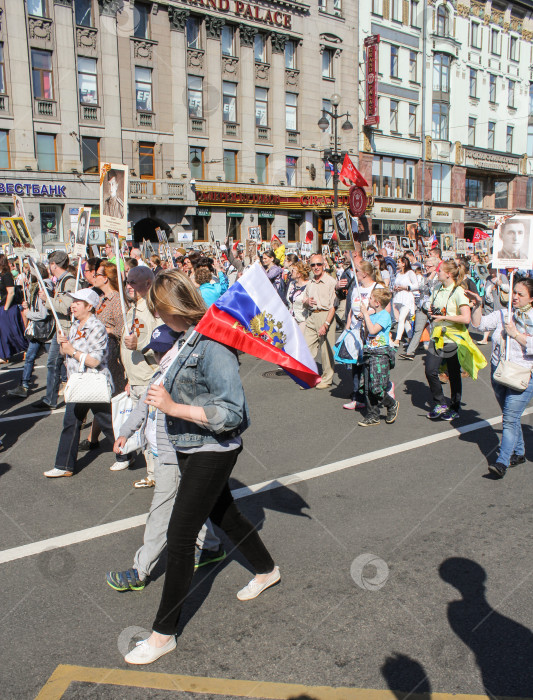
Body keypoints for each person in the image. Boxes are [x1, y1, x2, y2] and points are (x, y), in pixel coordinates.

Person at [122, 270, 279, 665]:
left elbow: (232, 413)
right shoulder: (185, 338)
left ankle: (163, 634)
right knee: (225, 515)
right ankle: (266, 569)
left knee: (179, 537)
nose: (157, 318)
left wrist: (173, 408)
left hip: (214, 446)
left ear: (173, 307)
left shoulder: (213, 344)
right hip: (189, 446)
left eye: (159, 310)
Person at [106, 325, 225, 591]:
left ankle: (140, 570)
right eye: (155, 351)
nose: (158, 356)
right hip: (159, 452)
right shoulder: (161, 371)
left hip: (173, 453)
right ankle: (212, 547)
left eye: (163, 351)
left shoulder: (183, 375)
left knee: (160, 514)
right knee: (188, 504)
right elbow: (142, 405)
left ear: (178, 346)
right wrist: (126, 431)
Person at [43, 288, 117, 478]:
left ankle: (126, 454)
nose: (72, 305)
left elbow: (95, 360)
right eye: (73, 301)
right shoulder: (75, 325)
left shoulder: (97, 327)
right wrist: (63, 345)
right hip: (77, 383)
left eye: (77, 302)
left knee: (107, 423)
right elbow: (66, 354)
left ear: (89, 306)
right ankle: (64, 465)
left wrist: (70, 350)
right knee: (71, 423)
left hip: (93, 381)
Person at [469, 278, 533, 478]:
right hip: (499, 371)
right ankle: (520, 452)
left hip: (522, 374)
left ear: (531, 298)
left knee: (510, 418)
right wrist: (478, 305)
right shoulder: (504, 314)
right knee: (510, 417)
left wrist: (514, 334)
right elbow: (479, 325)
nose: (514, 296)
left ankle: (502, 461)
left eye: (520, 294)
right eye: (514, 292)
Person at [424, 261, 472, 421]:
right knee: (430, 370)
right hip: (438, 335)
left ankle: (455, 407)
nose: (437, 272)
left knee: (453, 373)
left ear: (448, 274)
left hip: (453, 336)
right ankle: (440, 402)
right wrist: (431, 310)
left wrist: (444, 316)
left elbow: (466, 318)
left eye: (440, 270)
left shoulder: (459, 291)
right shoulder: (437, 288)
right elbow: (433, 307)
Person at [33, 251, 75, 411]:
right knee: (54, 364)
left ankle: (59, 399)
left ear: (54, 265)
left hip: (66, 331)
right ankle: (50, 398)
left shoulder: (69, 281)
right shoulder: (61, 280)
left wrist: (47, 300)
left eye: (50, 263)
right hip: (60, 330)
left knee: (58, 364)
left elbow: (65, 307)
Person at [6, 262, 54, 398]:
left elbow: (43, 314)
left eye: (29, 271)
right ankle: (24, 385)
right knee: (30, 357)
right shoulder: (34, 287)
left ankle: (63, 381)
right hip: (37, 330)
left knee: (55, 361)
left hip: (45, 329)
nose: (27, 274)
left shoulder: (44, 286)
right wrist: (27, 305)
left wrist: (28, 314)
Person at [340, 261, 383, 410]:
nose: (355, 273)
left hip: (370, 333)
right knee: (355, 365)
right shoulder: (356, 289)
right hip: (355, 331)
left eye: (357, 271)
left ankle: (383, 390)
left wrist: (366, 313)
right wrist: (347, 329)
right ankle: (357, 397)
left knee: (370, 366)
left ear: (364, 273)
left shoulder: (378, 288)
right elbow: (351, 310)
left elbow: (385, 310)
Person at [358, 287, 399, 427]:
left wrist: (366, 315)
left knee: (377, 388)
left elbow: (373, 330)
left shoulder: (384, 315)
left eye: (370, 298)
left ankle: (391, 404)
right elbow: (367, 335)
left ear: (377, 303)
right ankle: (373, 415)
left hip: (380, 355)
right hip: (369, 353)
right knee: (368, 388)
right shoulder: (372, 315)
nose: (368, 300)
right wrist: (364, 321)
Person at [302, 254, 337, 389]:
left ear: (324, 265)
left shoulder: (330, 282)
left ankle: (327, 378)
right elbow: (304, 300)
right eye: (313, 265)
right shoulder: (310, 282)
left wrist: (326, 324)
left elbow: (333, 305)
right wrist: (306, 302)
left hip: (325, 315)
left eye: (319, 264)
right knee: (306, 347)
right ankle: (310, 376)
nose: (316, 267)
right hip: (312, 316)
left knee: (326, 351)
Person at [400, 257, 440, 360]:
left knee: (436, 330)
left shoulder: (438, 277)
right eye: (425, 266)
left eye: (429, 266)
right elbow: (420, 288)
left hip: (432, 307)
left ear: (435, 267)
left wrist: (430, 279)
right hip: (422, 306)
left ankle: (436, 351)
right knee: (418, 329)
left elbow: (433, 290)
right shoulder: (423, 277)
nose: (426, 268)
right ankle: (410, 352)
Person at [0, 253, 27, 365]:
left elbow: (11, 292)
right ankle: (4, 355)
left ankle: (26, 348)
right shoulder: (2, 275)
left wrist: (6, 308)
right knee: (3, 332)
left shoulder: (6, 275)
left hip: (8, 307)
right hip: (3, 306)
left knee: (11, 332)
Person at [391, 256, 418, 348]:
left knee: (401, 318)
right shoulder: (398, 274)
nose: (397, 263)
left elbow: (416, 285)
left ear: (404, 263)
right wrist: (395, 288)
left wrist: (406, 287)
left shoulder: (410, 273)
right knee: (405, 320)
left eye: (399, 262)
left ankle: (397, 339)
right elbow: (395, 284)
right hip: (399, 297)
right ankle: (411, 339)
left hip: (407, 298)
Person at [287, 261, 309, 330]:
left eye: (293, 271)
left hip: (303, 320)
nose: (291, 272)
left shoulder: (309, 285)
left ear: (299, 274)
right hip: (291, 320)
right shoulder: (291, 284)